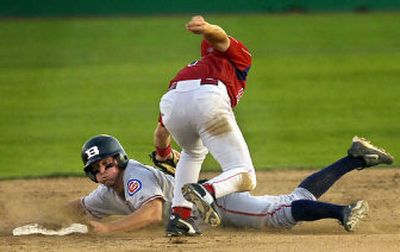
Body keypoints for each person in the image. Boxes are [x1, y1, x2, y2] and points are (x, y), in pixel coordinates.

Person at [71, 134, 393, 235]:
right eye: (96, 168)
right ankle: (354, 158)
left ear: (120, 161)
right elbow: (82, 207)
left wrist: (109, 231)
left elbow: (152, 214)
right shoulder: (105, 191)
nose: (104, 172)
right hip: (207, 200)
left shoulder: (134, 178)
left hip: (216, 203)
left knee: (276, 215)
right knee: (292, 198)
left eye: (108, 164)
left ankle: (342, 212)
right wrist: (52, 218)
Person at [152, 15, 256, 236]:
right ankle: (206, 190)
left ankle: (180, 217)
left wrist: (164, 154)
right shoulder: (237, 58)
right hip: (208, 97)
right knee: (245, 174)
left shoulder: (192, 69)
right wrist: (208, 28)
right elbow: (220, 36)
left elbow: (161, 132)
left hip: (172, 100)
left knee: (192, 152)